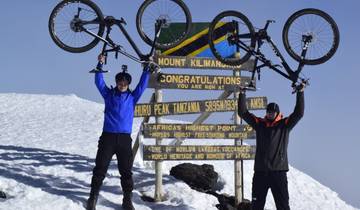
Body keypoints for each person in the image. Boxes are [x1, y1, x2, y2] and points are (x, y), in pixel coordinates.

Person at [86, 54, 151, 210]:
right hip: (107, 138)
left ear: (128, 83)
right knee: (100, 168)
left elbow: (142, 85)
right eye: (119, 82)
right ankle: (93, 197)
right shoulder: (109, 95)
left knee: (126, 172)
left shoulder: (132, 97)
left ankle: (127, 200)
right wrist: (100, 64)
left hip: (124, 140)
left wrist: (146, 70)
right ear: (116, 83)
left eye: (125, 82)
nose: (122, 84)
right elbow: (98, 82)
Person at [237, 85, 305, 210]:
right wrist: (242, 93)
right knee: (256, 206)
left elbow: (299, 113)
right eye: (268, 112)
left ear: (277, 113)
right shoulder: (260, 124)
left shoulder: (284, 125)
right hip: (260, 173)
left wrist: (300, 92)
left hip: (278, 173)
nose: (269, 114)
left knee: (283, 206)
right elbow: (243, 113)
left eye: (272, 112)